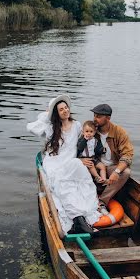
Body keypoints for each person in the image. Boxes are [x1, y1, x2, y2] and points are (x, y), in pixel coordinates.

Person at [27, 94, 100, 235]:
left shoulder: (77, 125)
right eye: (61, 109)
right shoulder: (51, 128)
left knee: (81, 182)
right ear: (56, 113)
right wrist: (47, 114)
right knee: (62, 183)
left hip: (71, 162)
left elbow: (84, 143)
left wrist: (82, 159)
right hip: (54, 164)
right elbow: (31, 127)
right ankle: (77, 220)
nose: (65, 111)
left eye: (66, 108)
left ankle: (80, 219)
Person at [84, 103, 134, 207]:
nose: (95, 119)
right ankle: (84, 197)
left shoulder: (120, 132)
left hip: (112, 166)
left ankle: (102, 201)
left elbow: (127, 155)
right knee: (80, 168)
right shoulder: (91, 130)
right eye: (94, 115)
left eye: (98, 116)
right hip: (95, 164)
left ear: (108, 118)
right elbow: (79, 148)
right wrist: (81, 160)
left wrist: (116, 172)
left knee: (125, 172)